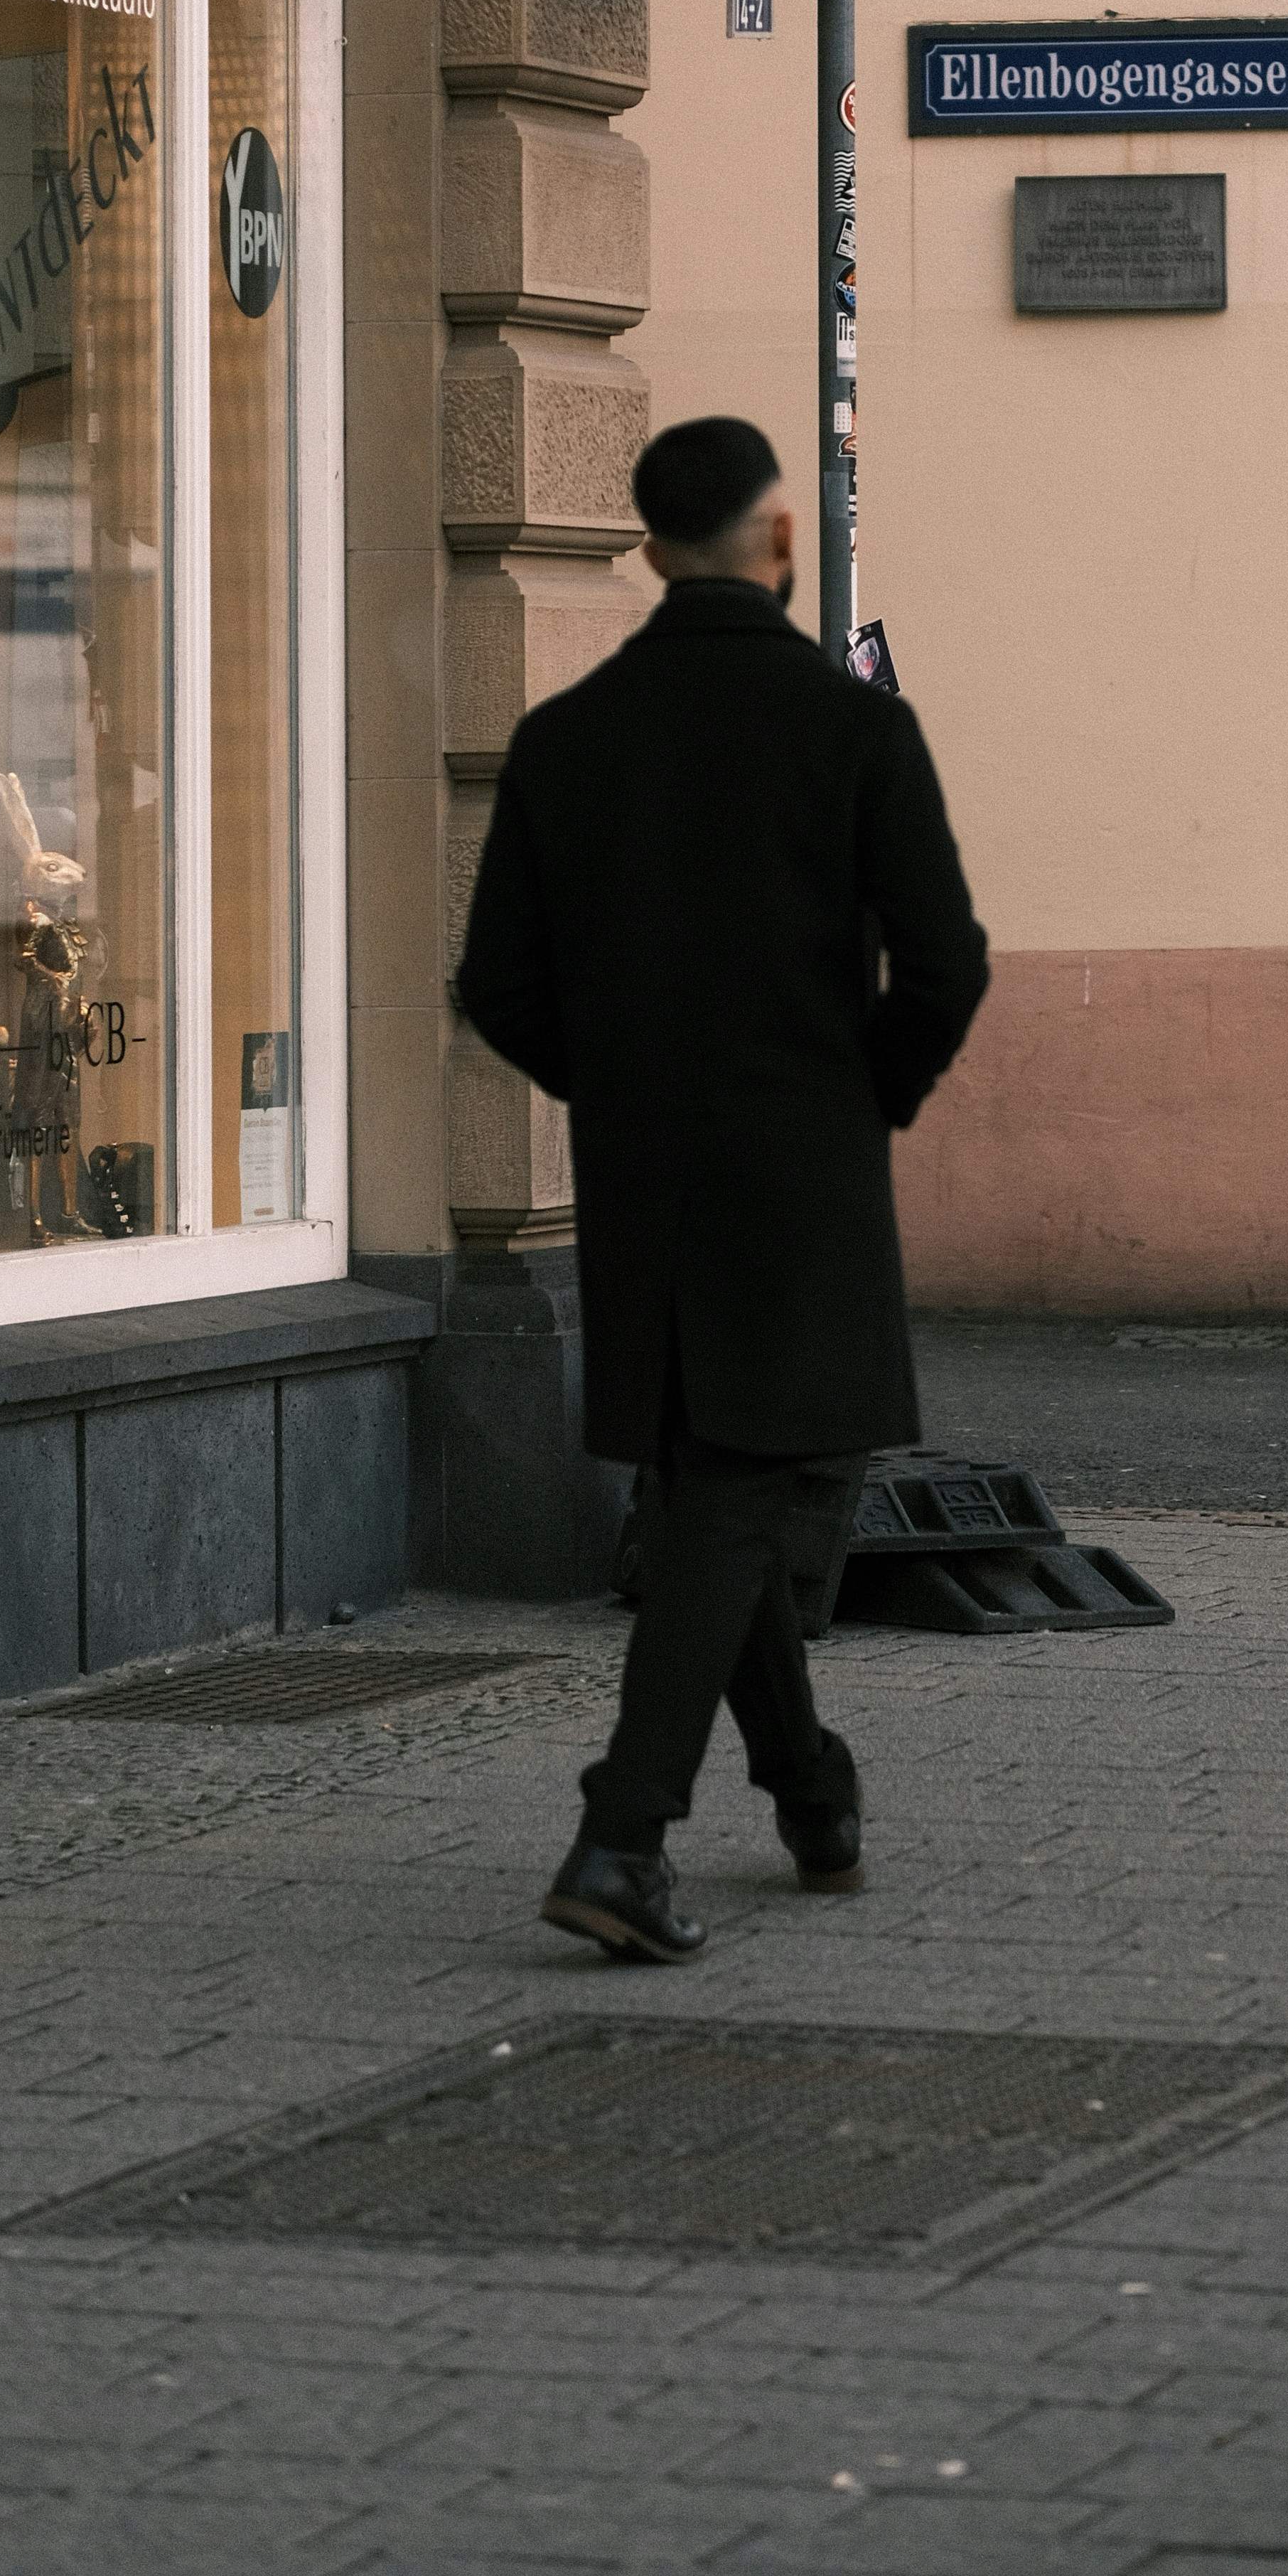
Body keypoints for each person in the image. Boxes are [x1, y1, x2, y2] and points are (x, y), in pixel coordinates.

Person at [454, 413, 989, 1965]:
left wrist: (621, 1091)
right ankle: (623, 1833)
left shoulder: (566, 738)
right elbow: (945, 962)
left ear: (642, 549)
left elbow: (497, 986)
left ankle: (810, 1791)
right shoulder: (851, 729)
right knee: (746, 1483)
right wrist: (862, 1090)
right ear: (776, 541)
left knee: (712, 1484)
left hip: (645, 1171)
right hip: (797, 1167)